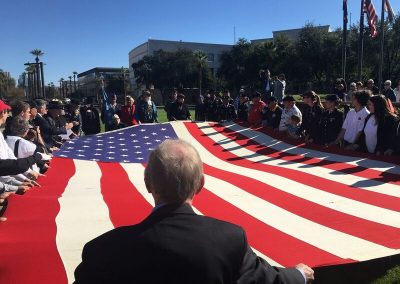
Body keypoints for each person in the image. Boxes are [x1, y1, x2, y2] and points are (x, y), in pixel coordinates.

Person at [74, 139, 314, 284]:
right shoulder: (229, 240)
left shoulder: (103, 250)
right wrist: (299, 275)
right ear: (200, 184)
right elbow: (266, 281)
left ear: (148, 184)